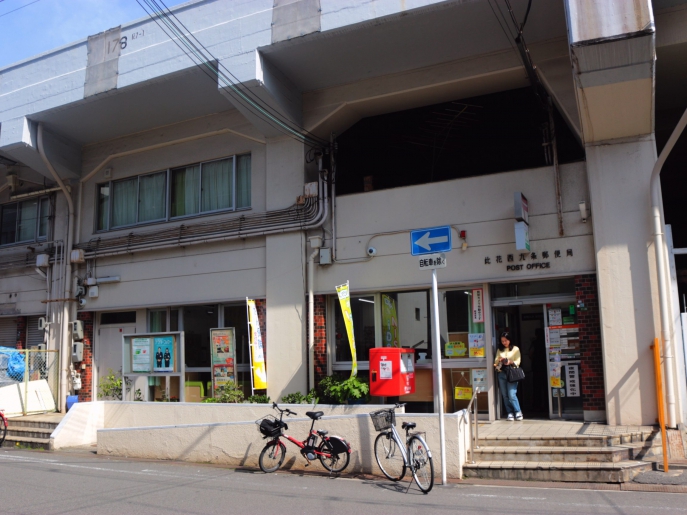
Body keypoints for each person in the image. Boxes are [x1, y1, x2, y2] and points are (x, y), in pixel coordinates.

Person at [494, 331, 523, 421]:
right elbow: (495, 362)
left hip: (512, 373)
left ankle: (518, 411)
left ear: (509, 340)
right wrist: (499, 361)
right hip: (502, 373)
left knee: (511, 394)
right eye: (502, 341)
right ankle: (510, 412)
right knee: (505, 395)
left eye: (505, 340)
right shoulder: (499, 350)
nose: (504, 342)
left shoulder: (515, 349)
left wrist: (510, 362)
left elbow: (518, 362)